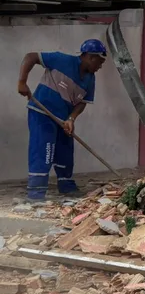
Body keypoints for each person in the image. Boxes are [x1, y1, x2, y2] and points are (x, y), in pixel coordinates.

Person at [17, 40, 107, 201]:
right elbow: (31, 57)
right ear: (90, 57)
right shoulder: (61, 60)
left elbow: (82, 103)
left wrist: (71, 119)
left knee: (65, 150)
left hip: (63, 119)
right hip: (42, 112)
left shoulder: (90, 79)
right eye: (99, 61)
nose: (100, 66)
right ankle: (36, 192)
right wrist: (22, 82)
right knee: (44, 149)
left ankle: (66, 186)